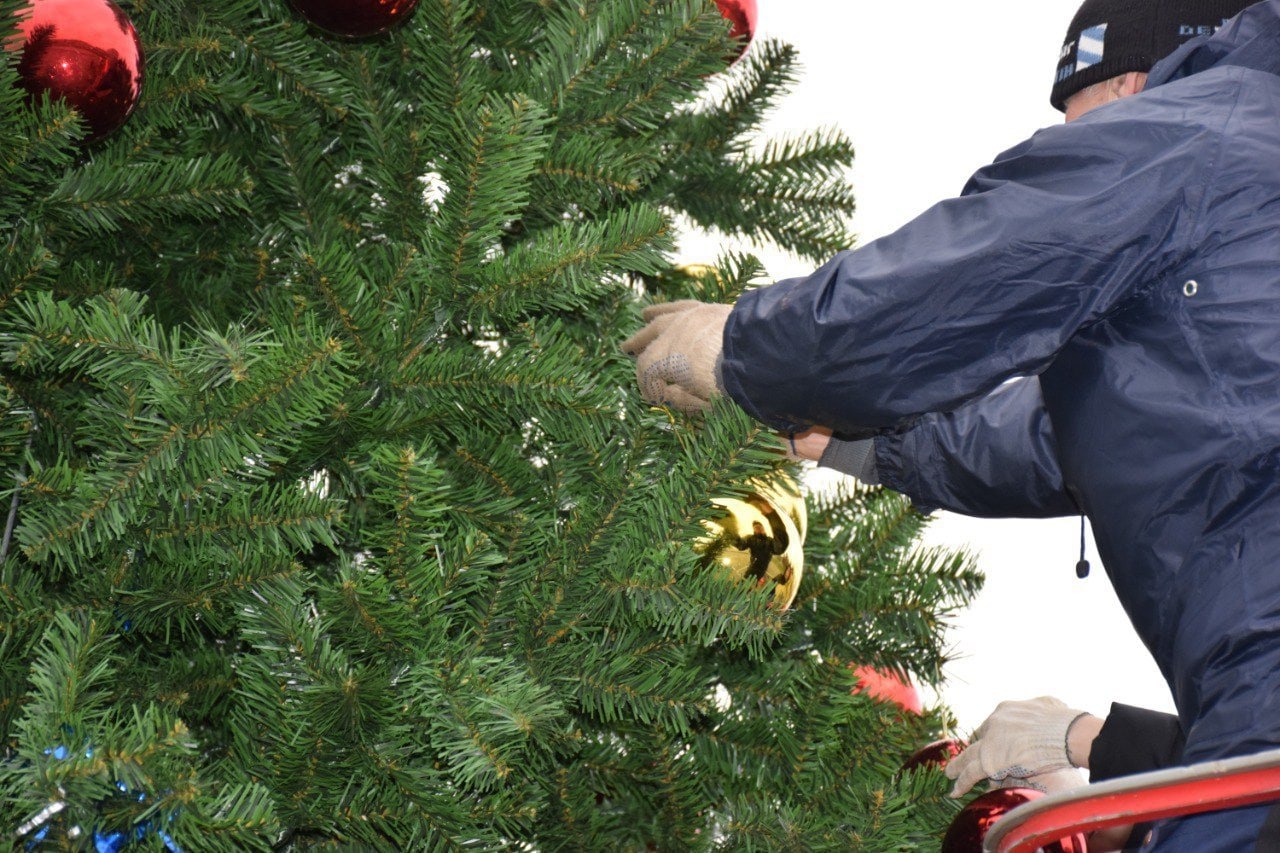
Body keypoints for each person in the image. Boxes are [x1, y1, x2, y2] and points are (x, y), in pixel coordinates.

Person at [622, 0, 1279, 848]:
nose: (1074, 143)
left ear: (1128, 83)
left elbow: (959, 283)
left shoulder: (1190, 132)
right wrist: (841, 436)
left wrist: (740, 350)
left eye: (1075, 121)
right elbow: (1048, 435)